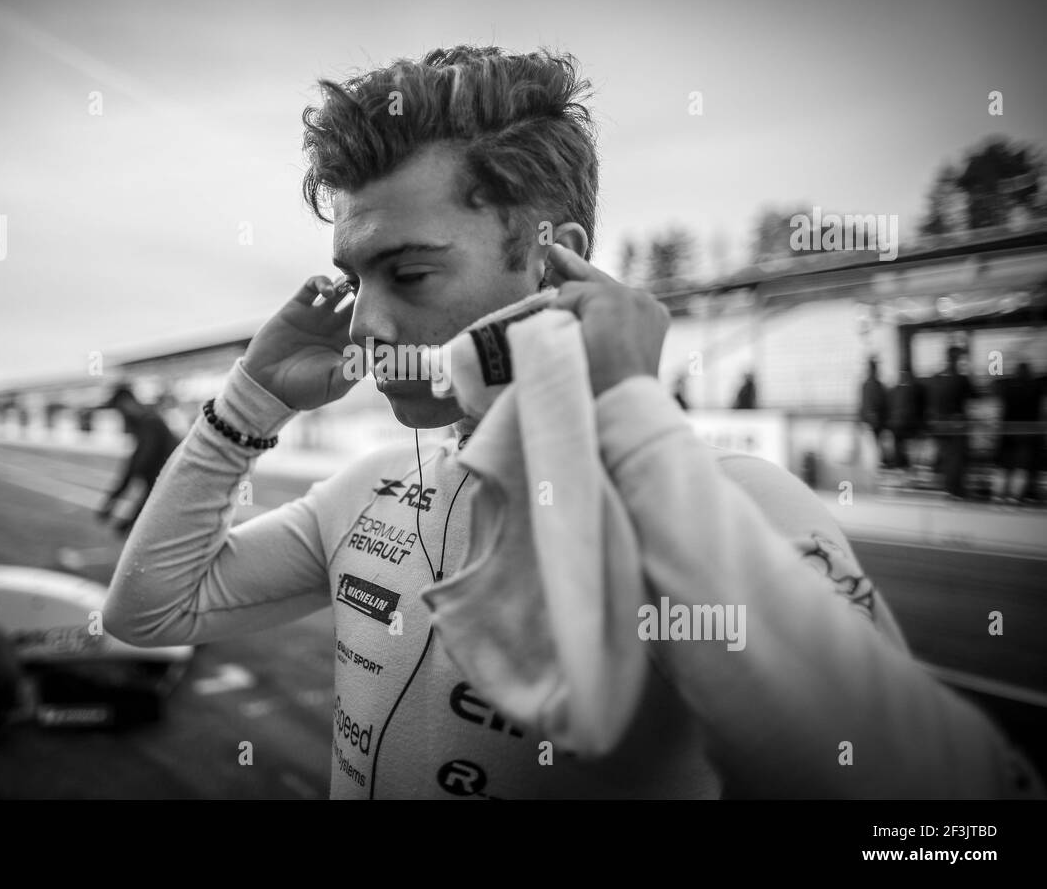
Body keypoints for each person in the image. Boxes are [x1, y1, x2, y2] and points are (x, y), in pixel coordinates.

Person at [104, 45, 1040, 799]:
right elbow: (149, 610)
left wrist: (629, 419)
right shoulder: (370, 490)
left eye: (412, 273)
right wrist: (250, 400)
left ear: (552, 265)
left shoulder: (729, 505)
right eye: (356, 281)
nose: (367, 324)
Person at [96, 385, 180, 537]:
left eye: (120, 409)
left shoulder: (149, 423)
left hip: (174, 482)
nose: (121, 415)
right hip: (167, 481)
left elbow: (140, 464)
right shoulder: (146, 422)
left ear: (127, 403)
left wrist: (113, 502)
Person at [928, 346, 976, 499]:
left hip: (940, 426)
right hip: (956, 426)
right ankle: (955, 489)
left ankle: (948, 487)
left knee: (947, 457)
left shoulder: (936, 377)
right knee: (957, 459)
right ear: (957, 359)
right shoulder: (961, 379)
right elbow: (974, 395)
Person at [995, 361, 1042, 503]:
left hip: (1007, 433)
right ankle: (1015, 496)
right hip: (1027, 434)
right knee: (1022, 466)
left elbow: (997, 385)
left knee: (1004, 466)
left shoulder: (1007, 387)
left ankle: (998, 494)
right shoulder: (1035, 388)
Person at [887, 367, 926, 471]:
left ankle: (900, 464)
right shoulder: (915, 389)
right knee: (910, 447)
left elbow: (889, 406)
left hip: (897, 424)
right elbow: (920, 408)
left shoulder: (894, 389)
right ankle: (908, 465)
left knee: (900, 446)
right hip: (909, 425)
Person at [859, 358, 888, 465]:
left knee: (874, 448)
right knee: (872, 448)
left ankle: (877, 464)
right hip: (872, 422)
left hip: (873, 422)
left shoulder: (870, 385)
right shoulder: (871, 385)